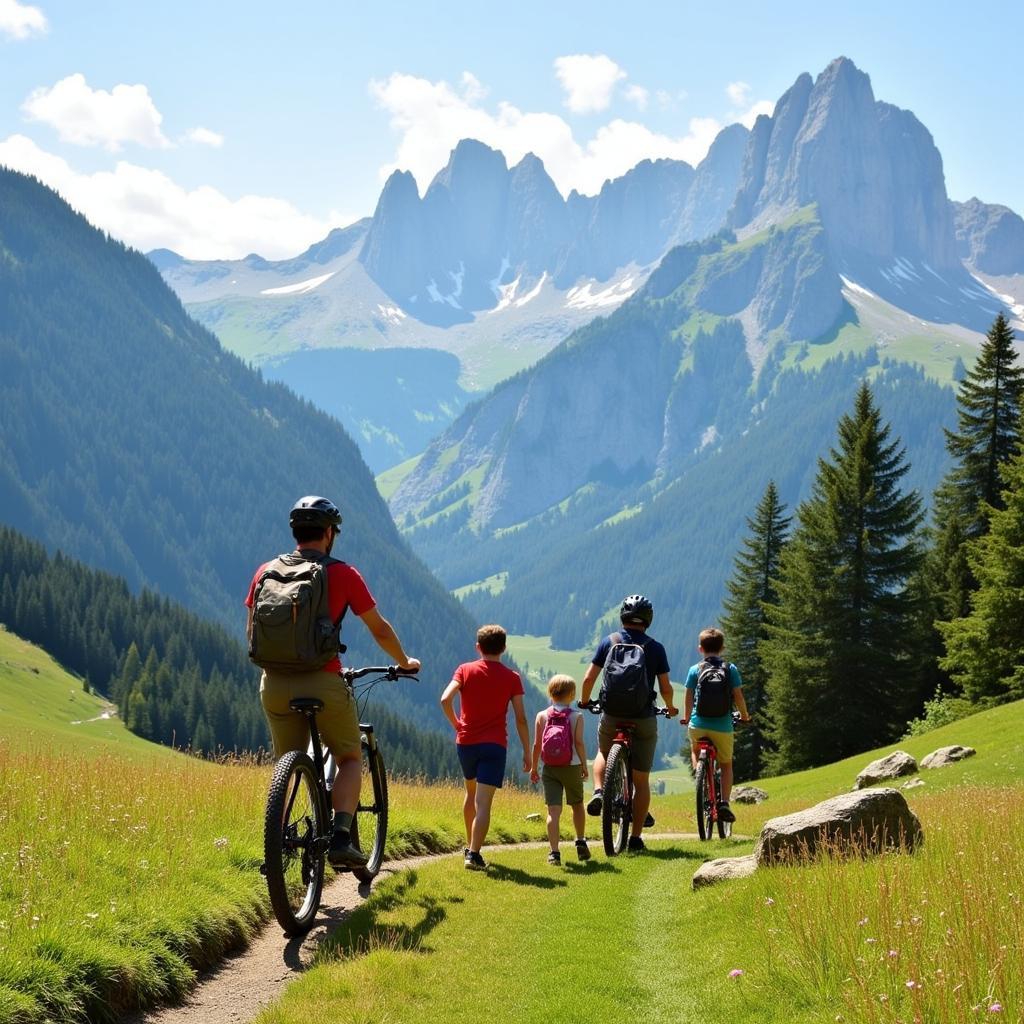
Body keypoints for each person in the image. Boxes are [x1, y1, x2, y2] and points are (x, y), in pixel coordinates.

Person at [246, 495, 420, 868]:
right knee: (349, 756)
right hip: (323, 682)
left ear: (295, 532)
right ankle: (341, 836)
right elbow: (379, 629)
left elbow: (253, 633)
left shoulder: (265, 572)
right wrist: (404, 662)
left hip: (273, 685)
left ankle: (274, 846)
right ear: (329, 533)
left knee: (285, 766)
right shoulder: (343, 573)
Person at [579, 594, 678, 852]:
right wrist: (669, 707)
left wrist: (584, 701)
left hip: (612, 714)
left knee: (603, 751)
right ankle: (634, 839)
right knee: (641, 780)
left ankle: (600, 792)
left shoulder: (609, 641)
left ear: (623, 616)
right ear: (648, 619)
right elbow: (666, 688)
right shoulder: (655, 648)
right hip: (643, 717)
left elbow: (589, 678)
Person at [441, 624, 530, 871]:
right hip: (494, 745)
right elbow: (521, 718)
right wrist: (527, 751)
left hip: (466, 743)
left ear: (478, 647)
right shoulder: (512, 678)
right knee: (484, 803)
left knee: (471, 795)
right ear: (503, 648)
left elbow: (445, 699)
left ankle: (470, 846)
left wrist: (457, 724)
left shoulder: (465, 670)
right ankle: (474, 854)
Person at [682, 627, 750, 823]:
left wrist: (687, 717)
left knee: (695, 749)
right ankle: (724, 803)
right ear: (722, 648)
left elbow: (688, 696)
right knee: (726, 764)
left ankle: (700, 776)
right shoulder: (731, 669)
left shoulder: (695, 669)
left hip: (698, 723)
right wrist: (745, 716)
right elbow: (738, 697)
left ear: (700, 649)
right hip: (723, 726)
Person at [529, 674, 591, 865]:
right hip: (571, 767)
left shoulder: (542, 716)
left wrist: (534, 768)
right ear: (571, 694)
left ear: (551, 692)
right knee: (577, 804)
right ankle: (580, 840)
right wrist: (583, 764)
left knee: (552, 812)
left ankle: (554, 853)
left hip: (550, 768)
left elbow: (537, 745)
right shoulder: (577, 716)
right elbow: (579, 743)